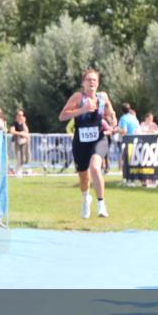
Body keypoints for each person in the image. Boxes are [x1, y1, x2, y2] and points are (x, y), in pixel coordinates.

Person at [59, 68, 117, 219]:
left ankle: (101, 204)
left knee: (95, 167)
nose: (92, 82)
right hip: (80, 143)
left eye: (95, 80)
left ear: (98, 83)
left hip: (99, 139)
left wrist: (112, 119)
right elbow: (62, 116)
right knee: (84, 178)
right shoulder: (78, 97)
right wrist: (82, 109)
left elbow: (111, 112)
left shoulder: (102, 97)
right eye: (89, 80)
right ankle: (86, 199)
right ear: (83, 83)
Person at [10, 109, 30, 176]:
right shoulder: (14, 123)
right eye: (19, 115)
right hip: (16, 142)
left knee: (23, 157)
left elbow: (26, 131)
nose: (21, 116)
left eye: (22, 115)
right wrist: (20, 133)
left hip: (23, 142)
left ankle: (19, 171)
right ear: (16, 116)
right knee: (18, 158)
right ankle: (18, 172)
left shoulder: (23, 123)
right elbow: (12, 131)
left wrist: (24, 123)